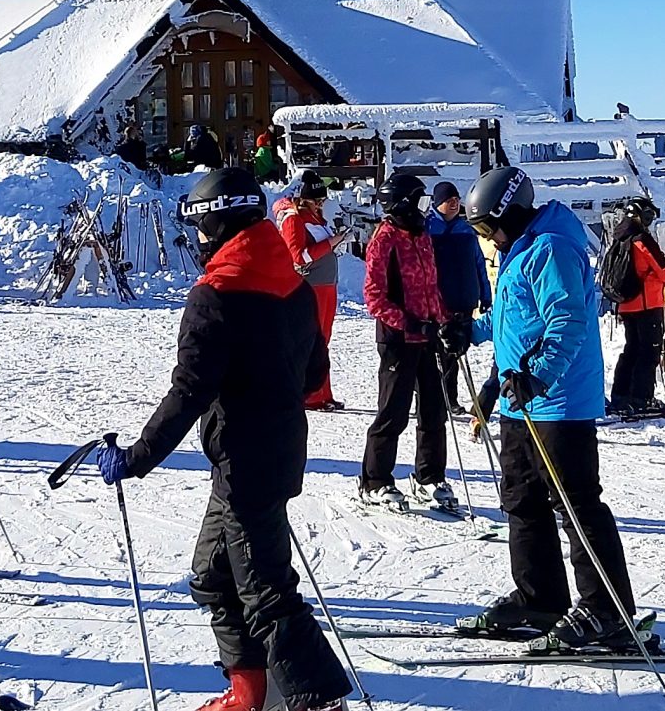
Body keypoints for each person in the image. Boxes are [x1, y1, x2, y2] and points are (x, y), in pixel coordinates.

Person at [93, 167, 352, 711]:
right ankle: (247, 691)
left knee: (265, 591)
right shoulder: (294, 285)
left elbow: (189, 391)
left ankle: (319, 698)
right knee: (214, 575)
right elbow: (312, 375)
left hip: (245, 461)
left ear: (219, 224)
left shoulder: (216, 294)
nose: (201, 242)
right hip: (276, 451)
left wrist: (137, 458)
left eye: (203, 230)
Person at [457, 165, 651, 652]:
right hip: (522, 403)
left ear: (514, 212)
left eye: (488, 227)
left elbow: (567, 321)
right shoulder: (521, 249)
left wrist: (538, 374)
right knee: (522, 501)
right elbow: (514, 321)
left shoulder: (551, 249)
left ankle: (607, 609)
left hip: (559, 402)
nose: (489, 238)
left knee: (576, 504)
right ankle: (541, 597)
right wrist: (473, 337)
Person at [360, 172, 455, 512]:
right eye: (418, 200)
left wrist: (444, 320)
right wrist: (409, 322)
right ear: (401, 203)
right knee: (394, 410)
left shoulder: (422, 235)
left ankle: (429, 477)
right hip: (398, 337)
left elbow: (431, 286)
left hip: (427, 335)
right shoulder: (384, 239)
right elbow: (374, 296)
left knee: (434, 409)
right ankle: (375, 479)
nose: (423, 208)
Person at [600, 196, 665, 420]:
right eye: (649, 216)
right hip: (647, 304)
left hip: (626, 304)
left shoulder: (620, 238)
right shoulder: (642, 239)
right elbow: (663, 271)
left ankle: (621, 396)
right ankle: (642, 399)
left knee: (632, 350)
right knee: (649, 352)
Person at [276, 171, 343, 411]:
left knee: (323, 340)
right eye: (317, 200)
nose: (321, 204)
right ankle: (310, 394)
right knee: (313, 340)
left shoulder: (314, 217)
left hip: (326, 286)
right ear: (304, 199)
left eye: (323, 200)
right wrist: (331, 243)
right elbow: (298, 257)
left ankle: (323, 393)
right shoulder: (296, 219)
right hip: (313, 287)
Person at [428, 180, 491, 405]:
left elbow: (478, 263)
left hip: (464, 298)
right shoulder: (427, 229)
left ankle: (451, 400)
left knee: (457, 351)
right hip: (438, 301)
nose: (454, 204)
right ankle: (433, 398)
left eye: (456, 200)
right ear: (437, 203)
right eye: (449, 200)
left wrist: (485, 294)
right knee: (436, 352)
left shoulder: (467, 230)